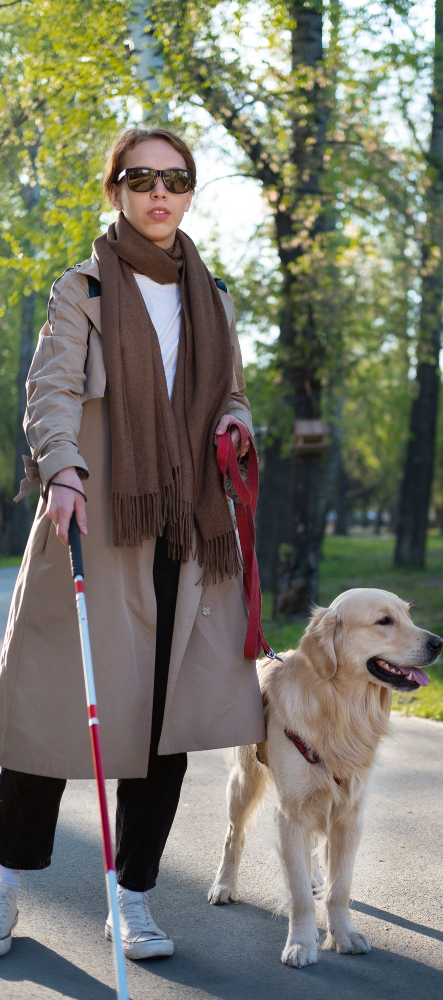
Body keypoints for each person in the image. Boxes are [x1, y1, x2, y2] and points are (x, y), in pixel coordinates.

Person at [0, 128, 266, 960]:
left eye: (176, 178)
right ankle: (5, 881)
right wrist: (64, 469)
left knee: (165, 722)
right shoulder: (80, 288)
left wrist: (234, 424)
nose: (160, 192)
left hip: (187, 534)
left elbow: (232, 394)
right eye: (142, 177)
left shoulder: (212, 294)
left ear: (190, 192)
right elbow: (52, 390)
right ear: (115, 188)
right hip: (93, 520)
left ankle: (133, 896)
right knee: (48, 713)